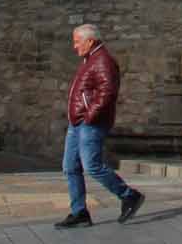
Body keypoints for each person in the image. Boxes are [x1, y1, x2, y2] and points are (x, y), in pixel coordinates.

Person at [58, 24, 144, 228]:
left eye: (77, 41)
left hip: (90, 124)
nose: (74, 46)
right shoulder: (90, 60)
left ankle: (129, 195)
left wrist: (89, 117)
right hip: (77, 123)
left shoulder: (103, 61)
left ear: (90, 41)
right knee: (70, 167)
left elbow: (107, 93)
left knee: (92, 166)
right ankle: (79, 213)